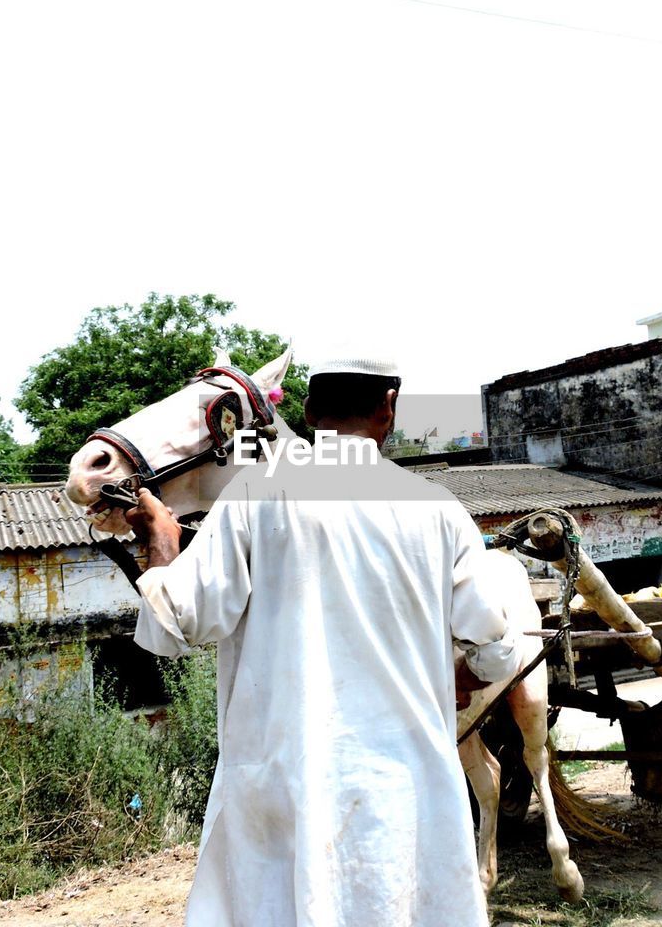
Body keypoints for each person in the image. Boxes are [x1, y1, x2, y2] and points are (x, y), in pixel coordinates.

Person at [126, 354, 518, 927]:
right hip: (402, 796)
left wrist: (163, 543)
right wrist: (467, 673)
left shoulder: (255, 495)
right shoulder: (439, 509)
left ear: (308, 411)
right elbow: (497, 645)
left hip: (282, 789)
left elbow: (176, 624)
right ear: (389, 409)